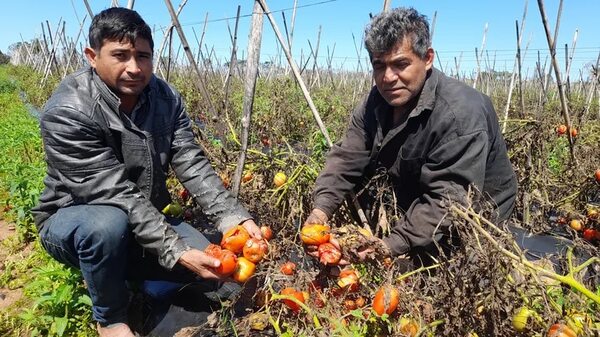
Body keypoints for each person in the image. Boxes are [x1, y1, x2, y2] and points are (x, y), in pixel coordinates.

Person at [31, 7, 261, 337]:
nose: (134, 68)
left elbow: (191, 163)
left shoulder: (165, 98)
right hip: (73, 219)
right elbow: (114, 192)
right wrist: (177, 250)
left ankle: (132, 272)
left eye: (143, 56)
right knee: (106, 226)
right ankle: (109, 317)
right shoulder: (69, 111)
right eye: (120, 55)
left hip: (143, 217)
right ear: (92, 56)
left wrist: (233, 218)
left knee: (221, 282)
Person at [304, 7, 517, 264]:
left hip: (474, 218)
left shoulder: (459, 114)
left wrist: (388, 245)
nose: (388, 77)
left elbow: (448, 202)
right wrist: (321, 210)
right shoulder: (376, 101)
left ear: (427, 59)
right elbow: (349, 155)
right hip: (420, 199)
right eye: (379, 65)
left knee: (455, 276)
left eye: (400, 64)